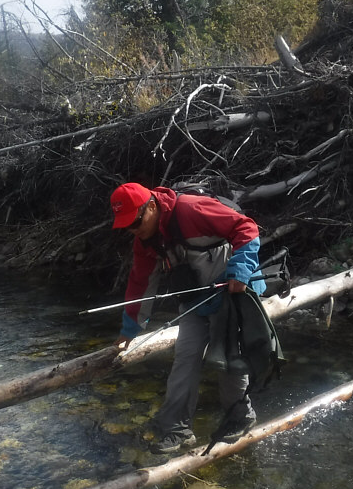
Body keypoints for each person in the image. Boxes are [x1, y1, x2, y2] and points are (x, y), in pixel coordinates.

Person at [110, 182, 268, 454]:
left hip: (233, 293)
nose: (133, 231)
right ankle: (177, 430)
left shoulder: (191, 209)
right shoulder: (145, 240)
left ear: (151, 206)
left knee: (229, 360)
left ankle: (240, 416)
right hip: (196, 300)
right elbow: (140, 284)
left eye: (135, 223)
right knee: (185, 359)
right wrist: (129, 330)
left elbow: (247, 229)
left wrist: (240, 271)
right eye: (126, 227)